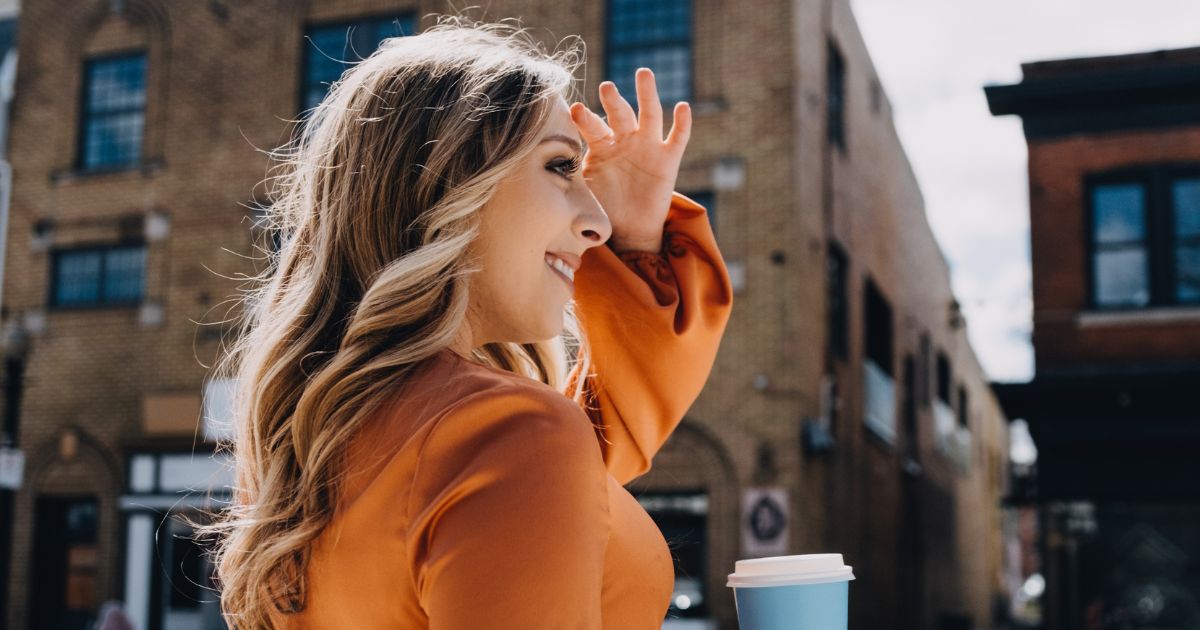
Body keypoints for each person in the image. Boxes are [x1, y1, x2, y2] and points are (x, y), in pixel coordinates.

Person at [200, 13, 732, 630]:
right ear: (449, 183)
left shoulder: (306, 452)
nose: (599, 221)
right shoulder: (508, 433)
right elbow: (552, 458)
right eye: (562, 166)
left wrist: (639, 241)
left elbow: (587, 454)